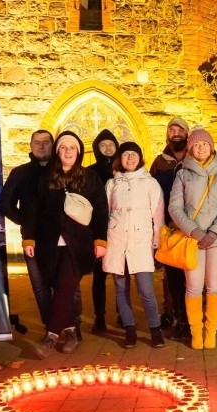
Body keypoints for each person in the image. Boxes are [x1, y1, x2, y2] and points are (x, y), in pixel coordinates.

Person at [22, 131, 109, 358]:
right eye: (63, 147)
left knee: (64, 285)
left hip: (78, 244)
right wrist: (28, 237)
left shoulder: (90, 178)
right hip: (49, 243)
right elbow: (32, 210)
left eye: (72, 147)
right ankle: (72, 334)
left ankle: (50, 337)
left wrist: (101, 240)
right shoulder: (45, 178)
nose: (68, 151)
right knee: (60, 286)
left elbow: (101, 210)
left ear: (78, 151)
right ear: (57, 151)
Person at [168, 127, 217, 350]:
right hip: (192, 239)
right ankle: (195, 331)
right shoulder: (182, 173)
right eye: (196, 145)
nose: (200, 148)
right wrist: (195, 231)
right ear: (190, 148)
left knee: (215, 286)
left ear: (211, 147)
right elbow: (175, 208)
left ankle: (211, 331)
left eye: (204, 144)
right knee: (194, 287)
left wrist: (214, 231)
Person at [103, 141, 166, 349]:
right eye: (126, 155)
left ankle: (155, 329)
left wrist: (157, 240)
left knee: (146, 290)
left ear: (140, 158)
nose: (130, 158)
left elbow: (158, 215)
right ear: (120, 159)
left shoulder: (150, 183)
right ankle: (129, 329)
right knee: (121, 288)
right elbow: (108, 212)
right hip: (117, 240)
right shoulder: (112, 184)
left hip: (141, 241)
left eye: (134, 155)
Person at [0, 130, 55, 327]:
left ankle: (71, 325)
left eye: (46, 142)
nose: (41, 146)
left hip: (59, 238)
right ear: (30, 146)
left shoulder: (61, 170)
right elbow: (5, 202)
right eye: (37, 142)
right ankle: (51, 326)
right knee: (40, 286)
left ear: (52, 145)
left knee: (64, 285)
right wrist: (25, 220)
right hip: (32, 238)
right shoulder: (20, 173)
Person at [150, 117, 191, 340]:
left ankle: (191, 318)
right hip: (167, 228)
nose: (175, 133)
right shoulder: (160, 162)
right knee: (171, 276)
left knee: (191, 275)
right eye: (172, 129)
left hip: (190, 228)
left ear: (187, 133)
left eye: (180, 129)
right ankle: (174, 315)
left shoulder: (195, 159)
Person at [87, 129, 119, 333]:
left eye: (111, 144)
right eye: (103, 145)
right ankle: (100, 317)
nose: (108, 148)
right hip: (98, 230)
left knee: (119, 276)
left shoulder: (123, 169)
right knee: (99, 277)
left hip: (119, 230)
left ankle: (122, 315)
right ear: (96, 148)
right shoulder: (89, 172)